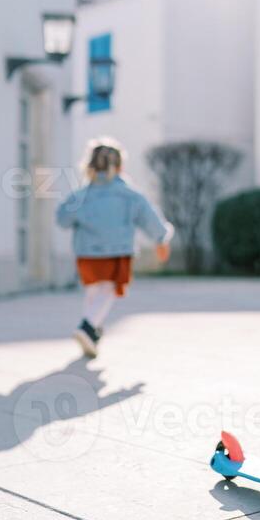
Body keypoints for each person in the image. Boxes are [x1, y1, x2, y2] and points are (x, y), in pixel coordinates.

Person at [56, 139, 173, 357]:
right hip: (117, 252)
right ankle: (88, 326)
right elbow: (150, 219)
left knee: (93, 290)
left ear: (89, 166)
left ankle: (92, 333)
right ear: (120, 167)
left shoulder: (80, 196)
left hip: (86, 253)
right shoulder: (130, 195)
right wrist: (161, 240)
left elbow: (62, 219)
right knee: (109, 289)